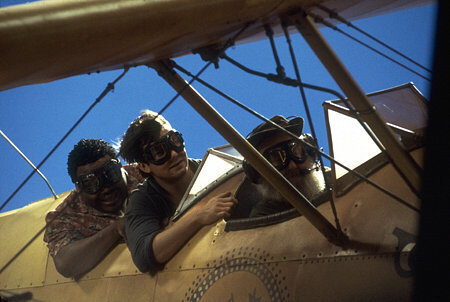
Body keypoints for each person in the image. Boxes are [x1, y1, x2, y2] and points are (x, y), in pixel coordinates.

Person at [119, 110, 237, 274]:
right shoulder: (142, 200)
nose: (174, 154)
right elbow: (144, 256)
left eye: (174, 141)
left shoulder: (219, 168)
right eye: (159, 152)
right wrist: (197, 216)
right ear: (144, 166)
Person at [43, 138, 144, 279]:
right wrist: (116, 229)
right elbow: (66, 264)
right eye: (90, 183)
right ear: (78, 188)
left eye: (110, 174)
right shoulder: (66, 216)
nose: (105, 189)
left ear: (120, 167)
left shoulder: (146, 172)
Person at [243, 115, 330, 217]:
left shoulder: (338, 181)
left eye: (297, 152)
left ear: (310, 152)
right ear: (258, 174)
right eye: (277, 159)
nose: (292, 166)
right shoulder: (263, 218)